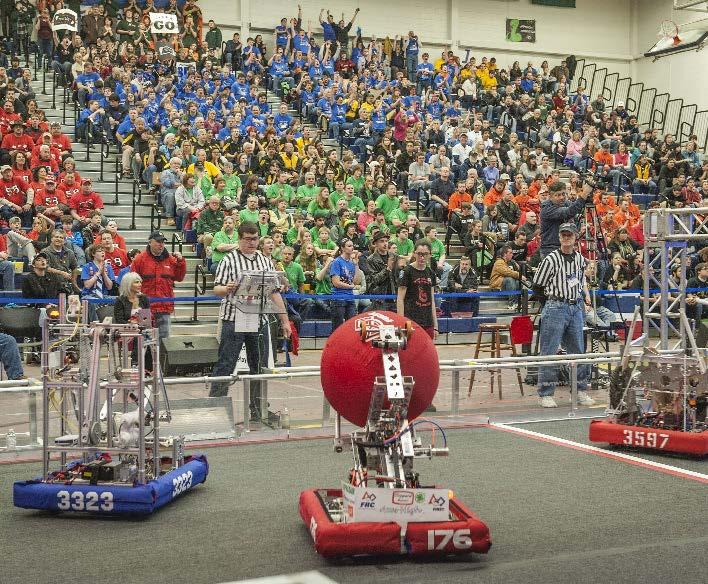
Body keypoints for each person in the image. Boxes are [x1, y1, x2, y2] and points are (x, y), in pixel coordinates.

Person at [208, 222, 291, 416]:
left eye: (255, 239)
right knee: (225, 364)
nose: (252, 243)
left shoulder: (265, 260)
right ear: (239, 239)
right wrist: (226, 288)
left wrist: (285, 321)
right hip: (233, 320)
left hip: (258, 320)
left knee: (259, 366)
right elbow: (216, 289)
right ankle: (215, 408)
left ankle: (258, 409)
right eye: (247, 239)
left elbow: (274, 293)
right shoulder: (228, 260)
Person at [532, 222, 595, 408]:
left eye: (569, 235)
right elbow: (537, 286)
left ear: (576, 238)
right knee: (549, 351)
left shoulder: (580, 260)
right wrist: (550, 305)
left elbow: (580, 281)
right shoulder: (550, 259)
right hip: (556, 306)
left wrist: (584, 300)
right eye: (563, 235)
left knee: (578, 351)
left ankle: (579, 391)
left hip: (575, 307)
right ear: (559, 237)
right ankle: (545, 393)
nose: (566, 238)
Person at [130, 231, 186, 339]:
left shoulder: (170, 259)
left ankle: (161, 357)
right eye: (158, 242)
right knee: (144, 338)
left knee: (164, 340)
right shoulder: (139, 259)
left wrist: (181, 263)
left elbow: (179, 277)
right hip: (144, 308)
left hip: (164, 306)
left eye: (163, 242)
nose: (161, 245)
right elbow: (132, 282)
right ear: (150, 242)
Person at [397, 239, 438, 339]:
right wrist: (401, 323)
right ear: (414, 254)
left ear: (430, 255)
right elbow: (400, 299)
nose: (422, 257)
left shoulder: (431, 273)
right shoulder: (406, 272)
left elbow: (432, 300)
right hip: (411, 320)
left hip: (427, 321)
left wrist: (435, 325)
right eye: (419, 254)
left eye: (425, 254)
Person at [539, 181, 590, 258]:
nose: (562, 197)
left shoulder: (565, 203)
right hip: (550, 249)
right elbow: (569, 211)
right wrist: (584, 193)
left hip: (567, 247)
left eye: (563, 194)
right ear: (550, 196)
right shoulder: (546, 209)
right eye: (558, 195)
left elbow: (575, 210)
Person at [113, 272, 153, 369]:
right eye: (136, 282)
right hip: (125, 330)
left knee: (144, 334)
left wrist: (139, 324)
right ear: (128, 284)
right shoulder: (120, 300)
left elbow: (146, 320)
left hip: (141, 329)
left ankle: (146, 368)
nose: (140, 284)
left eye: (140, 282)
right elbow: (119, 320)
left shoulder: (144, 299)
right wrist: (131, 324)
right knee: (140, 335)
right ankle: (136, 363)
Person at [329, 237, 360, 331]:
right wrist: (351, 286)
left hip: (350, 297)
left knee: (351, 325)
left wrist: (356, 264)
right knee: (337, 327)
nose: (352, 248)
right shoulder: (337, 262)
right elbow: (336, 282)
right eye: (349, 246)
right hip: (339, 297)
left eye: (352, 246)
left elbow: (356, 281)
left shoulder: (351, 262)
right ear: (342, 248)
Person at [81, 244, 115, 322]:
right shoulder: (87, 267)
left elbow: (109, 287)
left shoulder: (108, 267)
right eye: (99, 251)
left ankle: (115, 325)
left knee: (119, 300)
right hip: (89, 295)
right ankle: (96, 325)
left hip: (104, 295)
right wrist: (98, 273)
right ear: (93, 254)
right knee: (91, 302)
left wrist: (104, 274)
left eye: (103, 251)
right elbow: (87, 285)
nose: (103, 253)